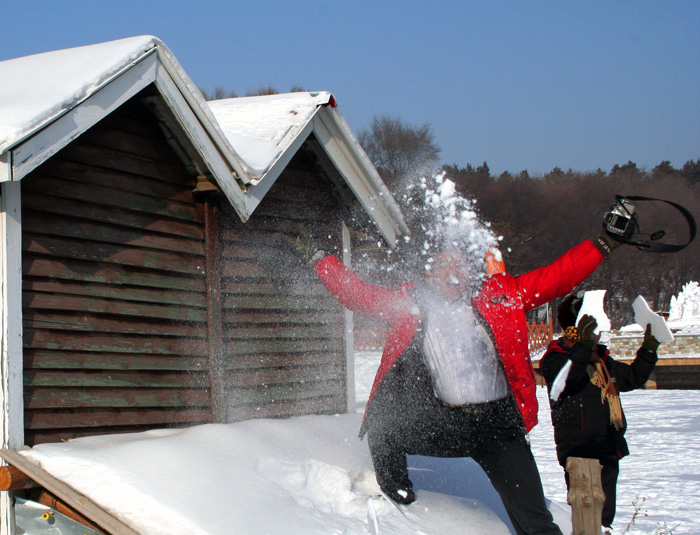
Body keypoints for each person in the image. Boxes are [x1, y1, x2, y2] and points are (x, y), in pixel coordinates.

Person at [283, 223, 623, 535]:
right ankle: (399, 502)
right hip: (447, 423)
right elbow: (359, 295)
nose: (452, 273)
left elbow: (558, 276)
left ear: (472, 269)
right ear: (431, 273)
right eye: (444, 265)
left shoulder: (501, 297)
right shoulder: (412, 304)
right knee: (383, 428)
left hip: (500, 428)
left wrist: (604, 243)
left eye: (460, 264)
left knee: (534, 520)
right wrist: (319, 258)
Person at [539, 295, 659, 533]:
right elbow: (568, 380)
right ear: (575, 330)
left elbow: (633, 378)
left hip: (607, 445)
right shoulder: (555, 359)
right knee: (585, 510)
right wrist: (583, 346)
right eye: (590, 328)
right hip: (579, 449)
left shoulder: (602, 361)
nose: (598, 334)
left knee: (605, 514)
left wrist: (648, 349)